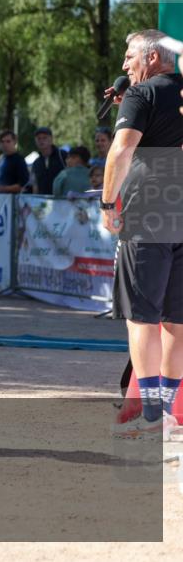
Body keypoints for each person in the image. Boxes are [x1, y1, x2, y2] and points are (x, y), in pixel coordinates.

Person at [101, 29, 183, 438]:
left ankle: (151, 415)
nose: (123, 65)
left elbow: (121, 150)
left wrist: (106, 203)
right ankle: (166, 413)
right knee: (176, 322)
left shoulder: (141, 96)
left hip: (148, 218)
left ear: (152, 58)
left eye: (129, 55)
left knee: (142, 319)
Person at [0, 129, 28, 193]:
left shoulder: (19, 160)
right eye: (2, 141)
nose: (5, 144)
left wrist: (0, 188)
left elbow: (22, 185)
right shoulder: (0, 159)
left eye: (8, 141)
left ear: (15, 142)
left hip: (13, 200)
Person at [29, 126, 66, 195]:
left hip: (62, 201)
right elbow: (35, 185)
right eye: (38, 138)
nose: (41, 141)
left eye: (44, 138)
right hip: (43, 203)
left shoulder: (63, 155)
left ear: (51, 139)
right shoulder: (36, 163)